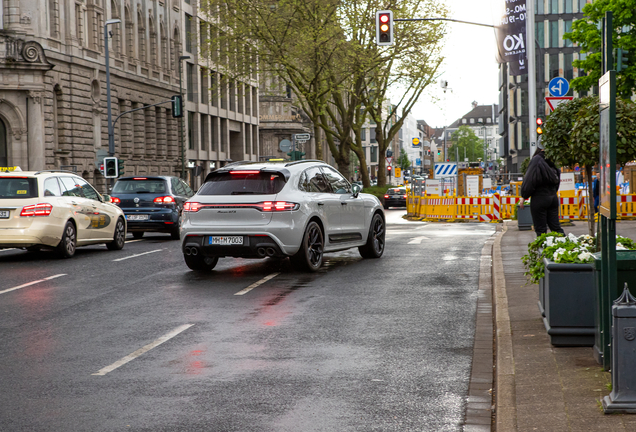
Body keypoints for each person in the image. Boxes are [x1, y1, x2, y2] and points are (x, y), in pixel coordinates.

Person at [520, 137, 564, 235]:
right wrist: (553, 192)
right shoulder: (552, 159)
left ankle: (543, 248)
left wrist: (524, 196)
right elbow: (557, 177)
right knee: (556, 227)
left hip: (539, 197)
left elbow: (530, 179)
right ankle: (565, 246)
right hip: (552, 197)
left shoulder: (536, 160)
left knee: (540, 229)